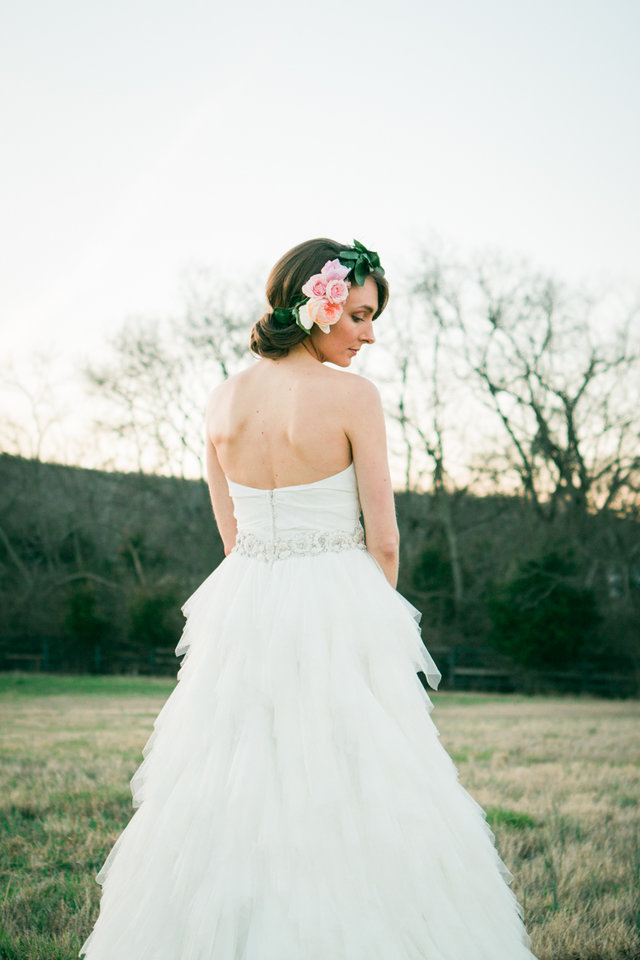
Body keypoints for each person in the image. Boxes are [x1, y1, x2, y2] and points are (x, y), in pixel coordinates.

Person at [79, 238, 537, 959]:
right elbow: (385, 540)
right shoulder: (353, 397)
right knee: (359, 775)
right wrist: (373, 628)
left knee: (239, 772)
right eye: (358, 315)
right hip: (337, 600)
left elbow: (232, 537)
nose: (369, 334)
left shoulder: (222, 400)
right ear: (315, 306)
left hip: (247, 606)